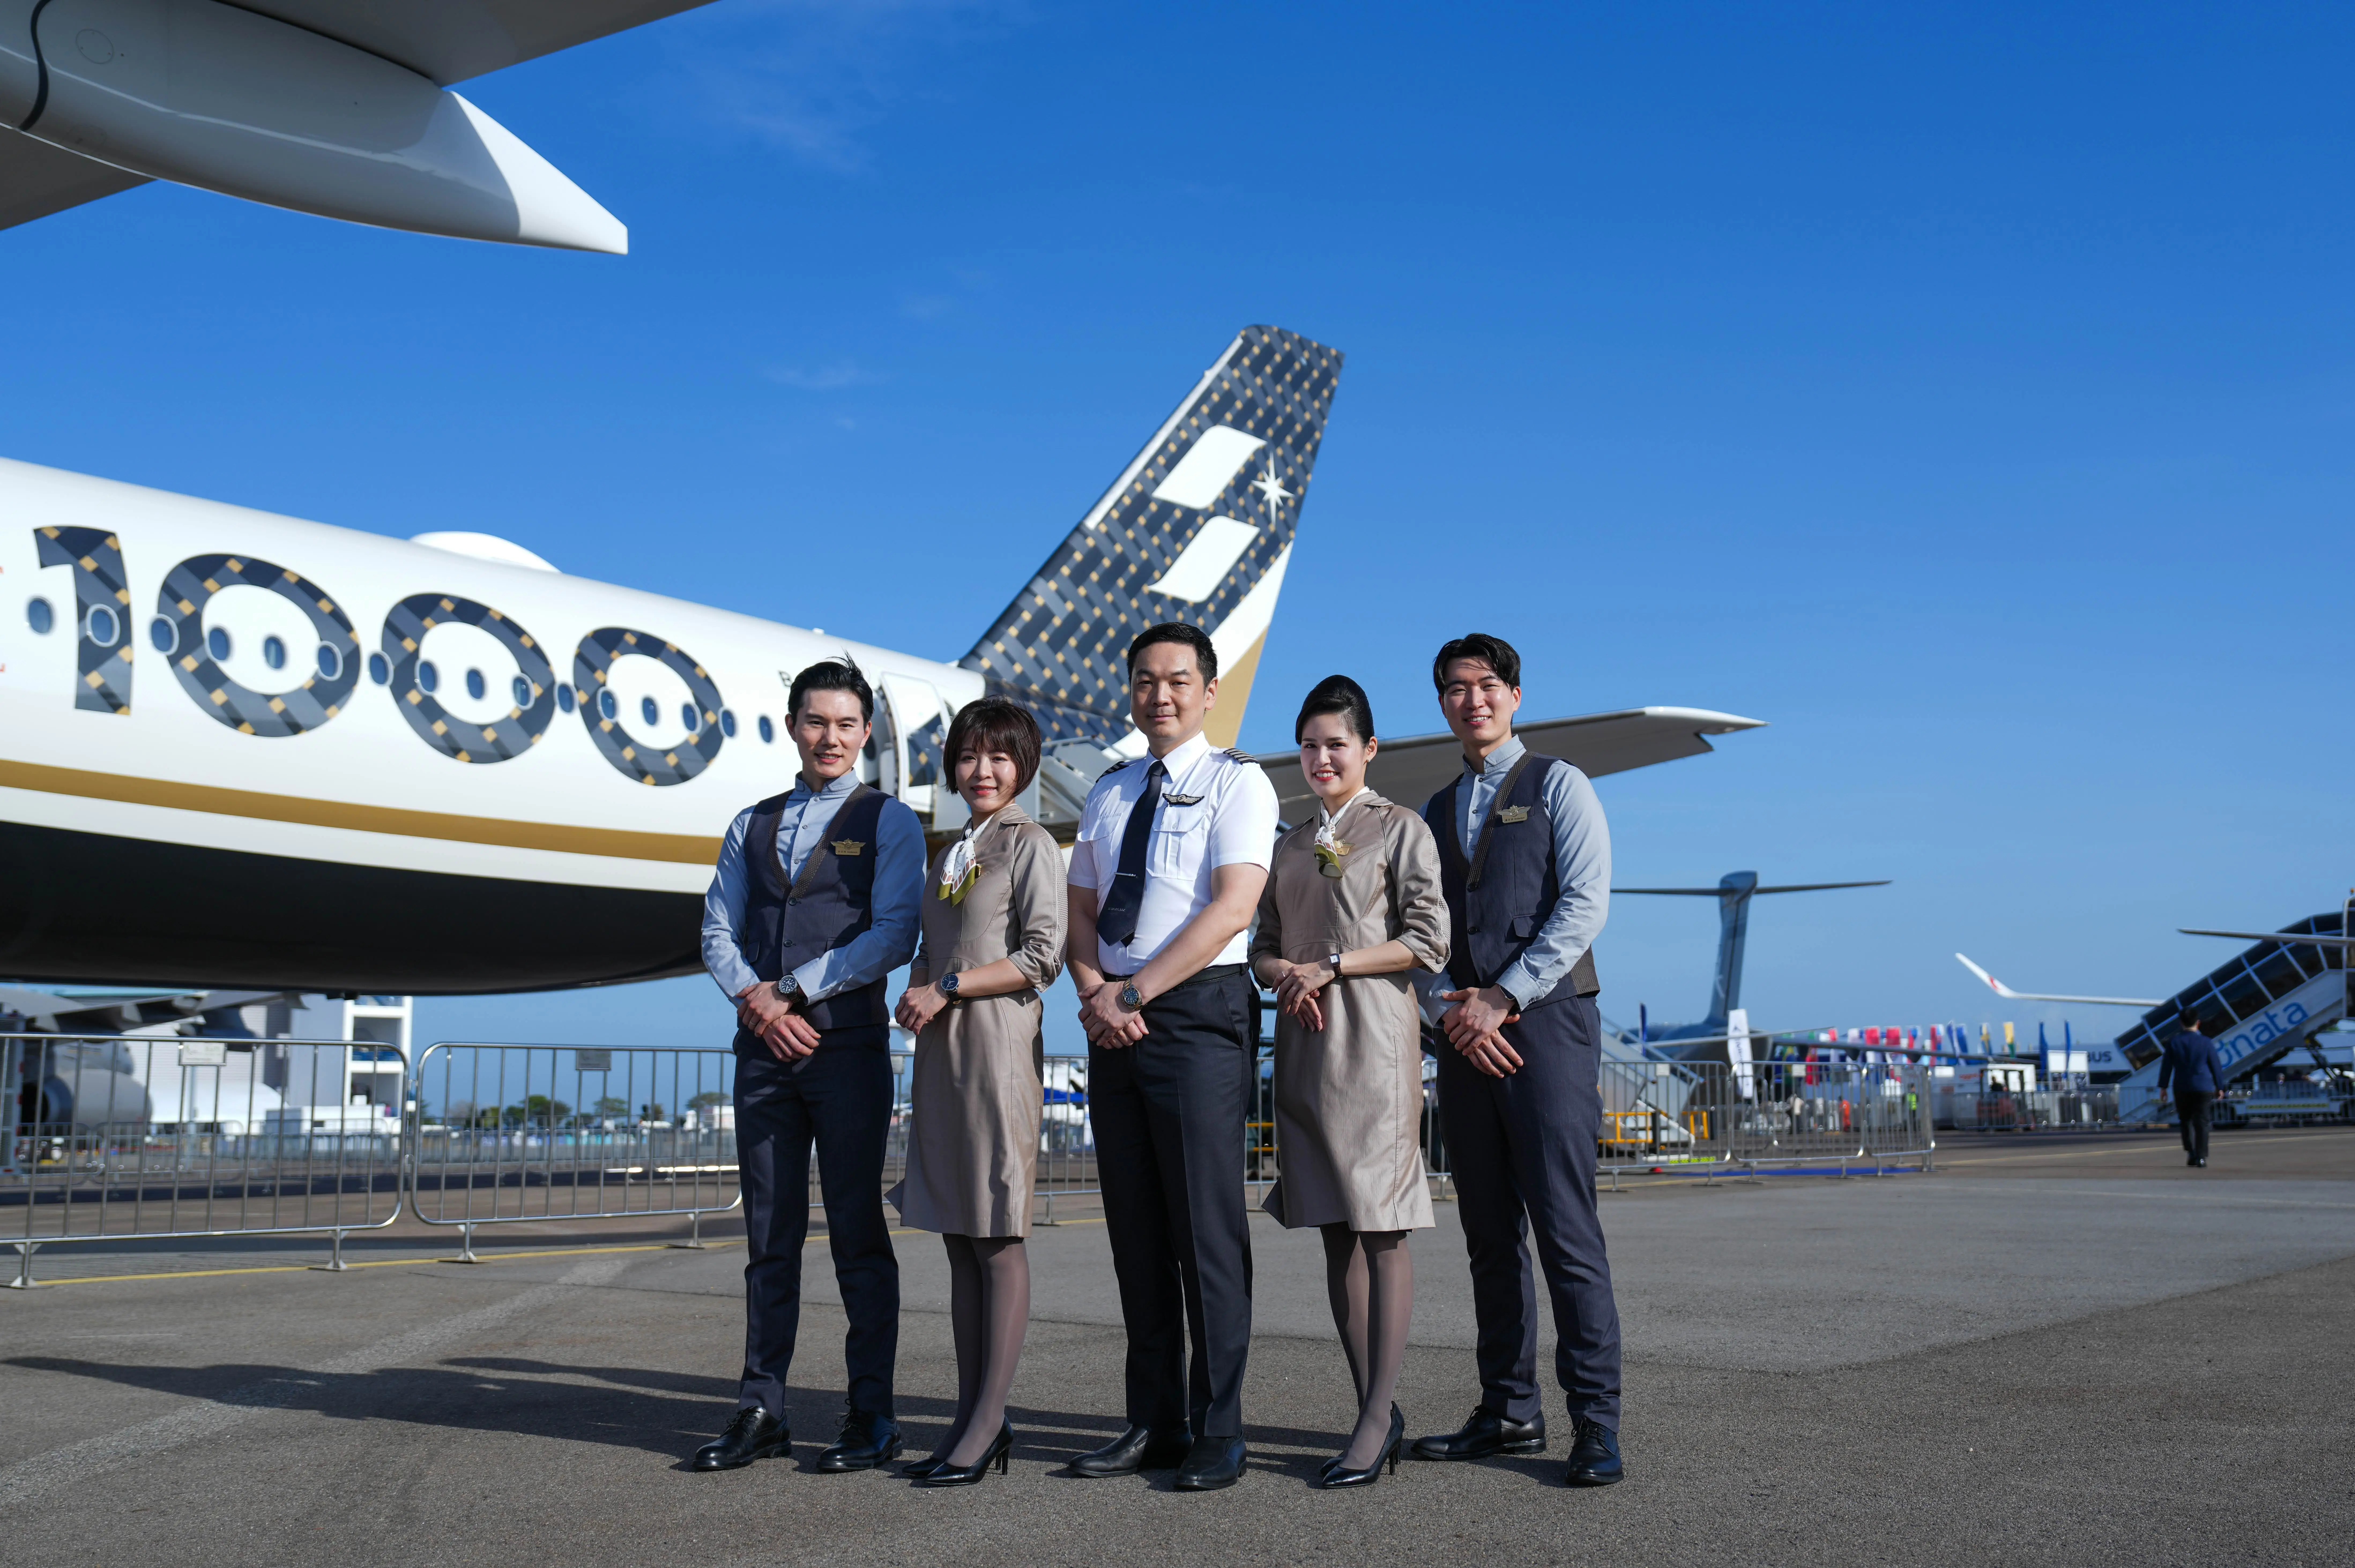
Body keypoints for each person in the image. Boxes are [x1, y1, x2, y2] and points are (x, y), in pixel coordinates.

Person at [691, 659, 924, 1476]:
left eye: (846, 724)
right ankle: (761, 1408)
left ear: (865, 734)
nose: (831, 737)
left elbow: (894, 934)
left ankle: (872, 1414)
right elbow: (716, 928)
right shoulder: (750, 823)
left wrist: (790, 990)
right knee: (769, 1237)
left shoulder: (888, 821)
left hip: (846, 1048)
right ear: (793, 726)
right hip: (762, 1052)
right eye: (816, 721)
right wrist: (755, 1000)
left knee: (858, 1235)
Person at [1408, 632, 1625, 1488]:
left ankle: (1596, 1423)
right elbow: (1422, 932)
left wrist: (1502, 996)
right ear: (1442, 705)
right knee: (1488, 1236)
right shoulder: (1433, 810)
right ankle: (1508, 1410)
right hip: (1466, 1037)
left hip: (1545, 1029)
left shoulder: (1559, 786)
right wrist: (1447, 1009)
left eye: (1488, 685)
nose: (1473, 700)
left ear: (1516, 695)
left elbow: (1584, 905)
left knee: (1567, 1234)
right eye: (1456, 689)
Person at [1066, 622, 1278, 1492]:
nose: (1161, 694)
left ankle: (1220, 1429)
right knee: (1136, 1235)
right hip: (1111, 1016)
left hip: (1192, 1014)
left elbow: (1232, 910)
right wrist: (1092, 995)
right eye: (1146, 680)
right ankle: (1152, 1422)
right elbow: (1079, 907)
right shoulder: (1109, 792)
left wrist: (1131, 993)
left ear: (1208, 689)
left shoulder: (1240, 783)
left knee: (1205, 1232)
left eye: (1178, 680)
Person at [1249, 675, 1449, 1488]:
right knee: (1334, 1227)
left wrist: (1333, 964)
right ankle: (1372, 1402)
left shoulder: (1401, 830)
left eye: (1337, 744)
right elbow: (1262, 942)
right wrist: (1285, 975)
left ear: (1369, 750)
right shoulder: (1289, 843)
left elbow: (1428, 939)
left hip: (1373, 1040)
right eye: (1309, 745)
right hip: (1303, 1043)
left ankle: (1374, 1419)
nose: (1322, 758)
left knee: (1381, 1228)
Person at [887, 697, 1067, 1487]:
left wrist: (948, 985)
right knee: (960, 1236)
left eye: (998, 757)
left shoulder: (1029, 845)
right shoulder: (952, 850)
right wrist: (920, 982)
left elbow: (1042, 956)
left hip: (995, 1048)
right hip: (941, 1053)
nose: (982, 770)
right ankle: (968, 1413)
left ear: (1023, 765)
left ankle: (991, 1419)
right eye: (969, 756)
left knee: (997, 1233)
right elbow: (934, 945)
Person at [2159, 1009, 2228, 1168]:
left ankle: (2191, 1153)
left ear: (2181, 1023)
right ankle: (2202, 1157)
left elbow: (2167, 1067)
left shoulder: (2174, 1043)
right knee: (2203, 1122)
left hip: (2182, 1087)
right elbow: (2215, 1066)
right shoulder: (2206, 1042)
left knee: (2186, 1121)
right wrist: (2220, 1086)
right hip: (2203, 1087)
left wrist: (2163, 1087)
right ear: (2198, 1023)